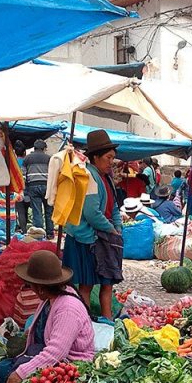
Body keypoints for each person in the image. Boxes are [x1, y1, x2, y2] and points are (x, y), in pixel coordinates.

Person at [0, 251, 96, 383]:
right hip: (49, 355)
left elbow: (56, 352)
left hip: (70, 365)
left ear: (39, 288)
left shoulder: (67, 309)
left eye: (31, 285)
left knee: (5, 378)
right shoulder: (50, 298)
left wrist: (21, 373)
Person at [63, 129, 122, 321]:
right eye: (108, 157)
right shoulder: (88, 177)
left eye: (113, 158)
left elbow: (114, 207)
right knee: (86, 284)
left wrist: (118, 228)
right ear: (95, 157)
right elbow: (91, 212)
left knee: (107, 282)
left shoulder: (107, 178)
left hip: (103, 235)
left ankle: (108, 321)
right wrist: (111, 229)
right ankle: (84, 322)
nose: (111, 162)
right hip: (86, 236)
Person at [22, 139, 52, 232]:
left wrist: (25, 188)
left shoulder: (27, 158)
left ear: (34, 148)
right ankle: (50, 232)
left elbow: (23, 175)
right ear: (44, 148)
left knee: (37, 211)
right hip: (47, 186)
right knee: (49, 211)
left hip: (33, 186)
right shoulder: (49, 158)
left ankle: (39, 233)